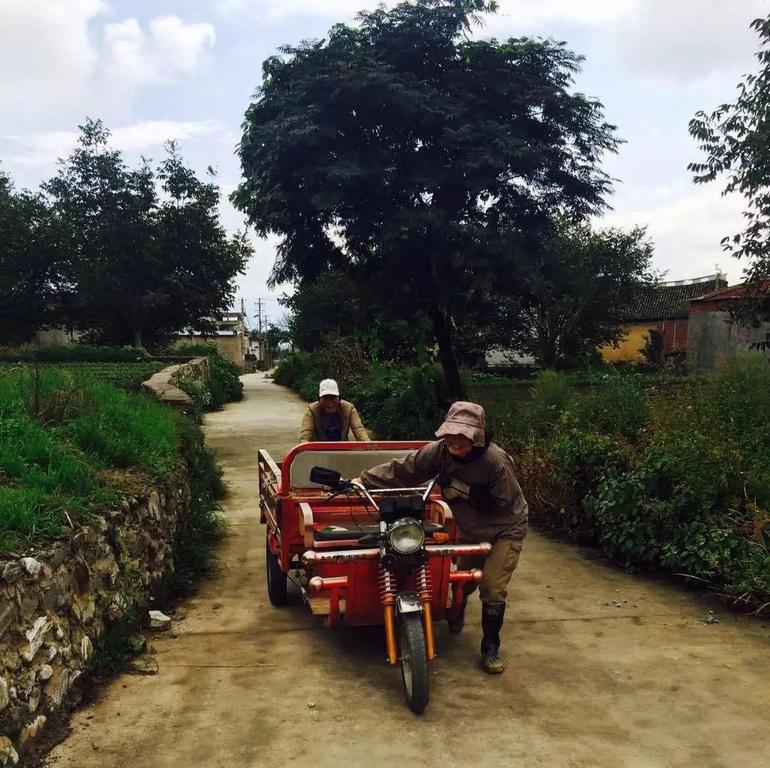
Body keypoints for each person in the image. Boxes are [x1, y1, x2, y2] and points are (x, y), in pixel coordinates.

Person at [358, 401, 527, 674]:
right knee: (465, 581)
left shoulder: (495, 462)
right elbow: (405, 468)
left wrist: (463, 489)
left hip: (504, 528)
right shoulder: (438, 453)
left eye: (463, 436)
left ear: (477, 436)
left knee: (492, 585)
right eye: (451, 434)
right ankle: (456, 610)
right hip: (470, 529)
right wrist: (364, 480)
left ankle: (490, 647)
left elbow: (503, 503)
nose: (456, 441)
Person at [299, 379, 370, 443]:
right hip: (318, 453)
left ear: (339, 398)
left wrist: (368, 445)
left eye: (333, 397)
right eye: (325, 398)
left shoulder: (349, 409)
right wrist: (305, 446)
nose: (329, 402)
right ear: (319, 399)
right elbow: (305, 434)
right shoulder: (312, 410)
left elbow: (359, 430)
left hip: (342, 452)